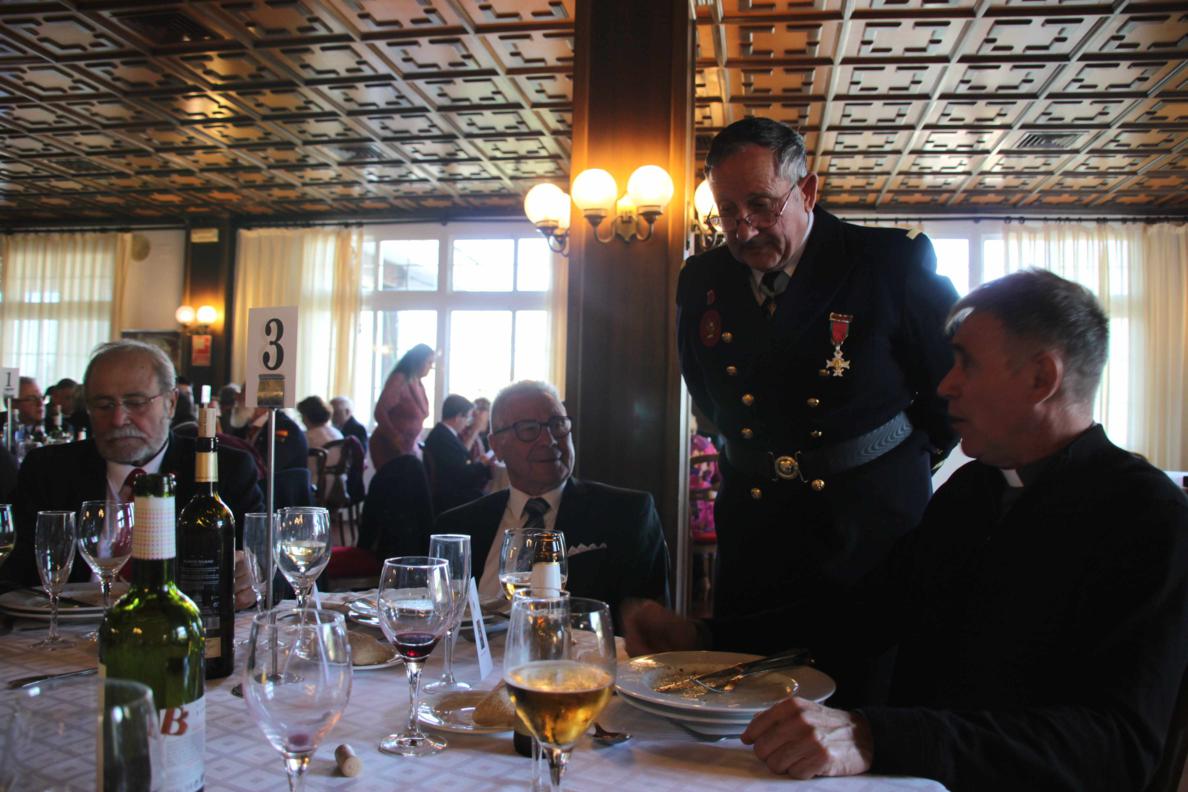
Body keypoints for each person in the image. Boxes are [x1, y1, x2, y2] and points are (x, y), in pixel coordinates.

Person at [629, 270, 1188, 791]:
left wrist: (879, 737)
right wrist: (705, 638)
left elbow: (1117, 746)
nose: (945, 385)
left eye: (966, 364)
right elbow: (863, 617)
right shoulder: (973, 492)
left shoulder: (1147, 516)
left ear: (1042, 377)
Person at [677, 117, 959, 701]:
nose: (743, 228)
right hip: (755, 530)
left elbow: (950, 393)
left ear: (806, 191)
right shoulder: (703, 278)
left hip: (867, 532)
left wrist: (883, 466)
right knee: (745, 705)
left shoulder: (887, 262)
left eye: (761, 205)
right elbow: (706, 392)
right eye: (727, 211)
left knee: (861, 709)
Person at [4, 340, 265, 606]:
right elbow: (12, 573)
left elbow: (268, 572)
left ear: (171, 403)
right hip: (68, 624)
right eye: (104, 405)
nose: (118, 419)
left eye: (136, 402)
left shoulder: (224, 471)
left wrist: (253, 579)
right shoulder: (49, 470)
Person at [435, 380, 670, 626]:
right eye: (529, 429)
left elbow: (650, 632)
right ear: (496, 446)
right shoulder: (458, 526)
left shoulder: (625, 514)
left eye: (557, 425)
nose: (549, 440)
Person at [423, 394, 492, 514]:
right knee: (491, 500)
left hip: (449, 490)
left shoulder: (442, 433)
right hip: (450, 498)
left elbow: (458, 465)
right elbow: (463, 476)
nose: (467, 423)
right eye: (467, 418)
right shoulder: (443, 439)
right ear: (458, 417)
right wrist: (483, 463)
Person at [370, 343, 434, 471]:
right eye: (429, 362)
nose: (431, 367)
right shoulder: (400, 380)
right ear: (418, 361)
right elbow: (380, 412)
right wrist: (396, 438)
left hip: (407, 446)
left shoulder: (418, 383)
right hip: (388, 446)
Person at [297, 395, 343, 497]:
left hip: (316, 486)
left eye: (302, 415)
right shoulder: (337, 433)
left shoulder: (308, 437)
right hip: (338, 486)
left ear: (307, 416)